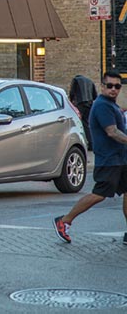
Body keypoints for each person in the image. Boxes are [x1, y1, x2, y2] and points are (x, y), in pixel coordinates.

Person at [54, 70, 127, 245]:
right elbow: (112, 132)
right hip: (109, 160)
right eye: (109, 86)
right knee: (99, 195)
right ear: (102, 86)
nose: (113, 89)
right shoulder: (102, 106)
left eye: (117, 86)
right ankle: (64, 221)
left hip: (121, 159)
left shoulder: (112, 105)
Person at [69, 74, 98, 150]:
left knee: (77, 122)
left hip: (80, 103)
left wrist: (70, 101)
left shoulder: (75, 80)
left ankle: (80, 142)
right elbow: (95, 95)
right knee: (87, 124)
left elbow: (72, 92)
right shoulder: (90, 81)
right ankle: (92, 144)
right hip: (89, 104)